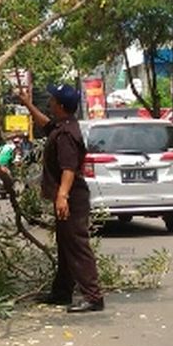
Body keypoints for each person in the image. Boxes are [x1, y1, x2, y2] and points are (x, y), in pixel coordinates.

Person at [17, 83, 104, 313]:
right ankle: (62, 292)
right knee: (66, 244)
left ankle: (93, 297)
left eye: (54, 99)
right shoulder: (62, 125)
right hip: (68, 196)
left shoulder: (67, 134)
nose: (51, 101)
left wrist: (62, 196)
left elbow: (69, 168)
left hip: (72, 197)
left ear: (62, 106)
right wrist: (27, 104)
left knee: (76, 245)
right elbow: (45, 124)